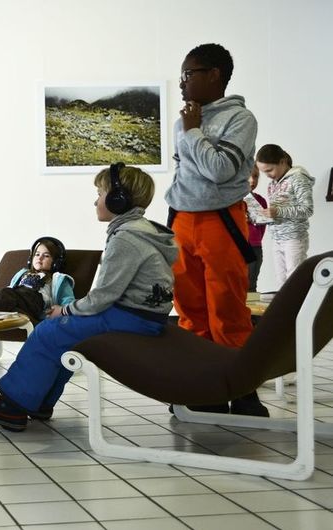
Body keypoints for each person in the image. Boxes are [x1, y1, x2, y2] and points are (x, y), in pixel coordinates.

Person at [0, 164, 176, 431]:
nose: (96, 200)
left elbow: (102, 297)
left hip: (130, 318)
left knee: (49, 332)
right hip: (141, 316)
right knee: (61, 337)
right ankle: (38, 403)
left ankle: (11, 408)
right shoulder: (141, 231)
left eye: (100, 193)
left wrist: (66, 310)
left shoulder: (127, 239)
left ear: (119, 199)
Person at [165, 43, 268, 416]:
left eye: (189, 74)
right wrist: (189, 130)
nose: (182, 83)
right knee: (190, 311)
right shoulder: (184, 120)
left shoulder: (241, 119)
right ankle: (205, 388)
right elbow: (186, 171)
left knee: (227, 310)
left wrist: (193, 133)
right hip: (181, 220)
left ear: (214, 75)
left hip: (221, 221)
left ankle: (241, 390)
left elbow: (221, 170)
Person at [255, 144, 315, 289]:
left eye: (269, 170)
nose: (268, 175)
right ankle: (286, 311)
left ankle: (298, 311)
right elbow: (277, 213)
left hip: (294, 238)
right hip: (277, 239)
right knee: (282, 284)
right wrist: (262, 217)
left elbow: (307, 209)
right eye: (264, 172)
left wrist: (278, 212)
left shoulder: (298, 178)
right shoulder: (272, 184)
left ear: (282, 161)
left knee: (294, 282)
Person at [245, 164, 267, 292]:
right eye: (249, 176)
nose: (252, 180)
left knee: (251, 285)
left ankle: (250, 312)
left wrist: (255, 241)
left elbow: (262, 227)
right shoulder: (231, 200)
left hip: (255, 248)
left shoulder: (261, 201)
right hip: (235, 248)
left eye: (256, 176)